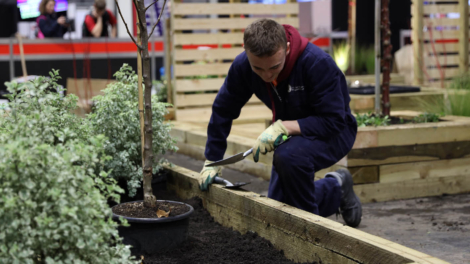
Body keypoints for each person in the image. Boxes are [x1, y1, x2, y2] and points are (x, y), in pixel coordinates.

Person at [198, 19, 362, 227]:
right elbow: (223, 109)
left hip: (334, 131)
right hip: (292, 139)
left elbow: (334, 120)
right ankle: (336, 188)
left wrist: (284, 127)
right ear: (246, 51)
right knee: (276, 208)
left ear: (286, 48)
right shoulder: (243, 66)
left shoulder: (316, 63)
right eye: (258, 69)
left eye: (274, 67)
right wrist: (213, 161)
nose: (267, 75)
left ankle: (309, 234)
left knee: (289, 157)